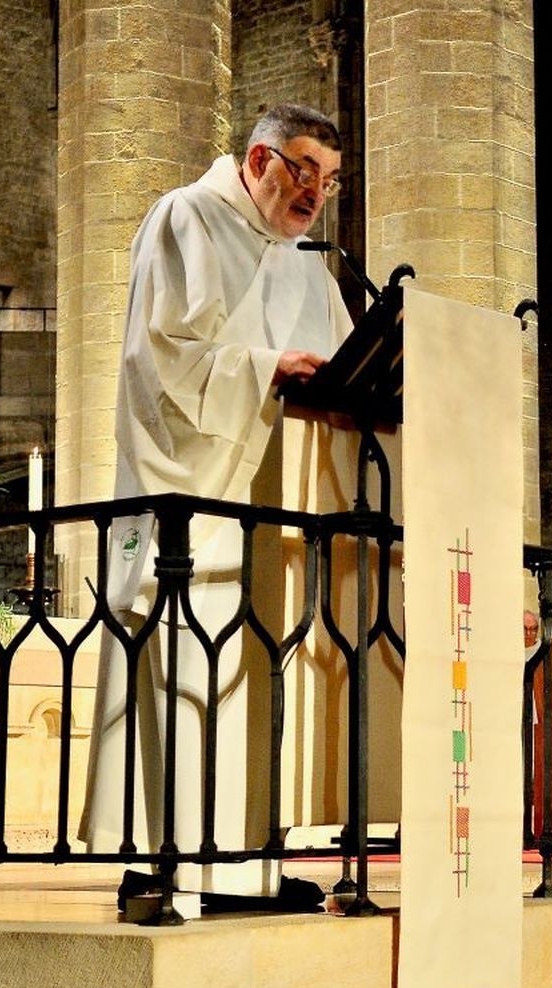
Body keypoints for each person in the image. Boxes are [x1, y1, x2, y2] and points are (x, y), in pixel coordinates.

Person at [80, 104, 351, 907]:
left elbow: (344, 369)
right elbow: (157, 359)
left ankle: (249, 864)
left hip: (278, 514)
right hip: (193, 504)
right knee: (186, 674)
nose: (316, 193)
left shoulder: (309, 266)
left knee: (263, 678)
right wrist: (267, 369)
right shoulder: (186, 218)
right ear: (261, 159)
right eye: (305, 171)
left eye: (330, 181)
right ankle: (170, 863)